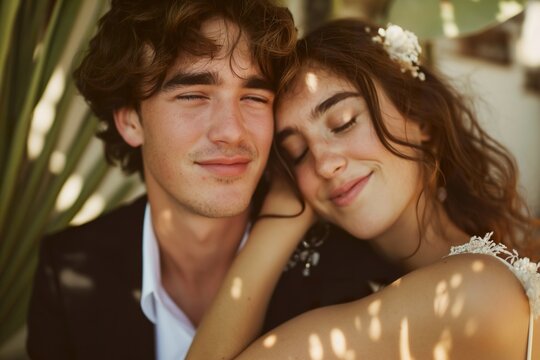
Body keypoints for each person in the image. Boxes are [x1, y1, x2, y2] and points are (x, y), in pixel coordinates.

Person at [26, 3, 407, 360]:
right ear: (131, 121)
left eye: (255, 97)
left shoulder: (344, 266)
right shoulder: (68, 270)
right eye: (193, 95)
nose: (232, 132)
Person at [186, 18, 540, 359]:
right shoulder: (367, 282)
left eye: (343, 123)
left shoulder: (473, 290)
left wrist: (279, 217)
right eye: (297, 153)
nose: (324, 164)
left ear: (420, 118)